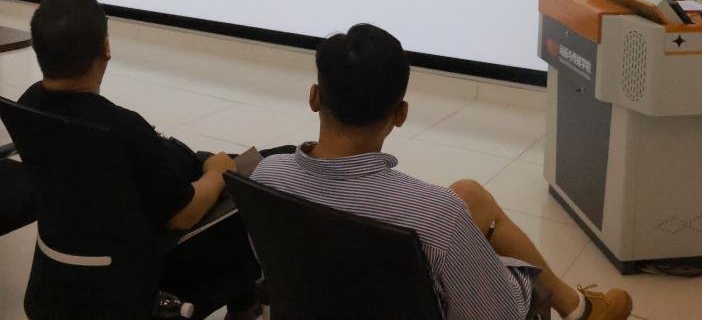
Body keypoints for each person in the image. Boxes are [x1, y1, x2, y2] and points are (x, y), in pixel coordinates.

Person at [252, 23, 633, 320]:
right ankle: (578, 307)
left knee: (469, 195)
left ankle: (581, 308)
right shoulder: (434, 215)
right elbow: (500, 313)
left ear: (314, 97)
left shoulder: (268, 178)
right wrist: (511, 273)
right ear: (400, 115)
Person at [20, 0, 267, 319]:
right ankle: (246, 297)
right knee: (258, 179)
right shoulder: (119, 127)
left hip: (66, 269)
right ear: (106, 49)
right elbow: (183, 215)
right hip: (135, 274)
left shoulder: (28, 105)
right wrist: (218, 174)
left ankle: (245, 300)